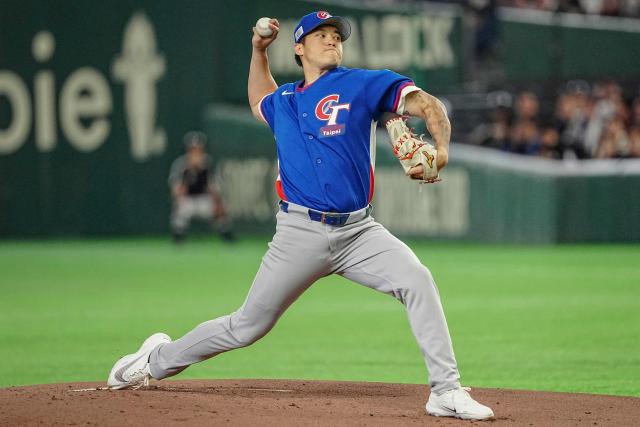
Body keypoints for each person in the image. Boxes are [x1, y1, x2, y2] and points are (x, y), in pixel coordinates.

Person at [107, 11, 494, 421]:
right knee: (247, 327)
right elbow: (259, 98)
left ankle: (445, 390)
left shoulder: (364, 83)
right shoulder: (287, 101)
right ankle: (153, 361)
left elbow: (429, 105)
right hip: (299, 232)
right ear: (298, 47)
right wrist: (258, 50)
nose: (331, 40)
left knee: (417, 280)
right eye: (320, 34)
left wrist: (443, 151)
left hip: (360, 232)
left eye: (336, 35)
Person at [168, 131, 234, 243]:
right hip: (187, 200)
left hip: (204, 199)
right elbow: (176, 191)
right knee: (180, 209)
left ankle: (227, 238)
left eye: (198, 149)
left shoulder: (209, 163)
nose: (195, 152)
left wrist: (202, 170)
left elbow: (216, 189)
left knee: (219, 209)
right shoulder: (180, 164)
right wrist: (189, 171)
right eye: (193, 149)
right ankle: (178, 239)